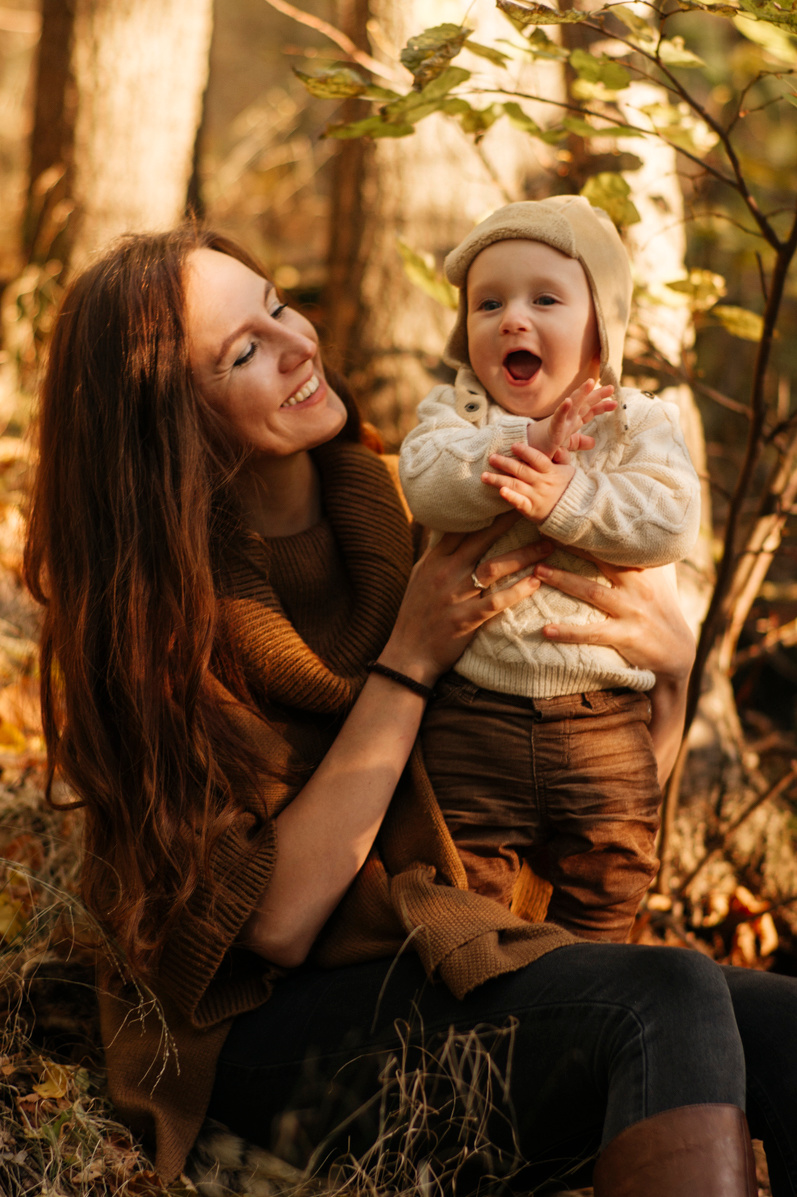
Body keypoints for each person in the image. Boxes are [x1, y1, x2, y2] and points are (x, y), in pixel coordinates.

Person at [23, 225, 797, 1197]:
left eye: (278, 306)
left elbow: (567, 789)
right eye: (244, 352)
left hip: (451, 951)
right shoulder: (153, 622)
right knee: (661, 998)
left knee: (779, 1028)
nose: (297, 342)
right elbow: (273, 927)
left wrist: (669, 680)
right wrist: (407, 660)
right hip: (271, 1039)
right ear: (167, 418)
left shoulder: (405, 510)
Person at [399, 196, 701, 940]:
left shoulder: (637, 423)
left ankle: (590, 996)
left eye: (544, 299)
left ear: (602, 327)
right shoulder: (455, 416)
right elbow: (428, 481)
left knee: (611, 876)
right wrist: (529, 438)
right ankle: (483, 1015)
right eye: (488, 302)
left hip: (602, 721)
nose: (511, 318)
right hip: (474, 713)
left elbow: (668, 520)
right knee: (466, 886)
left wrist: (570, 496)